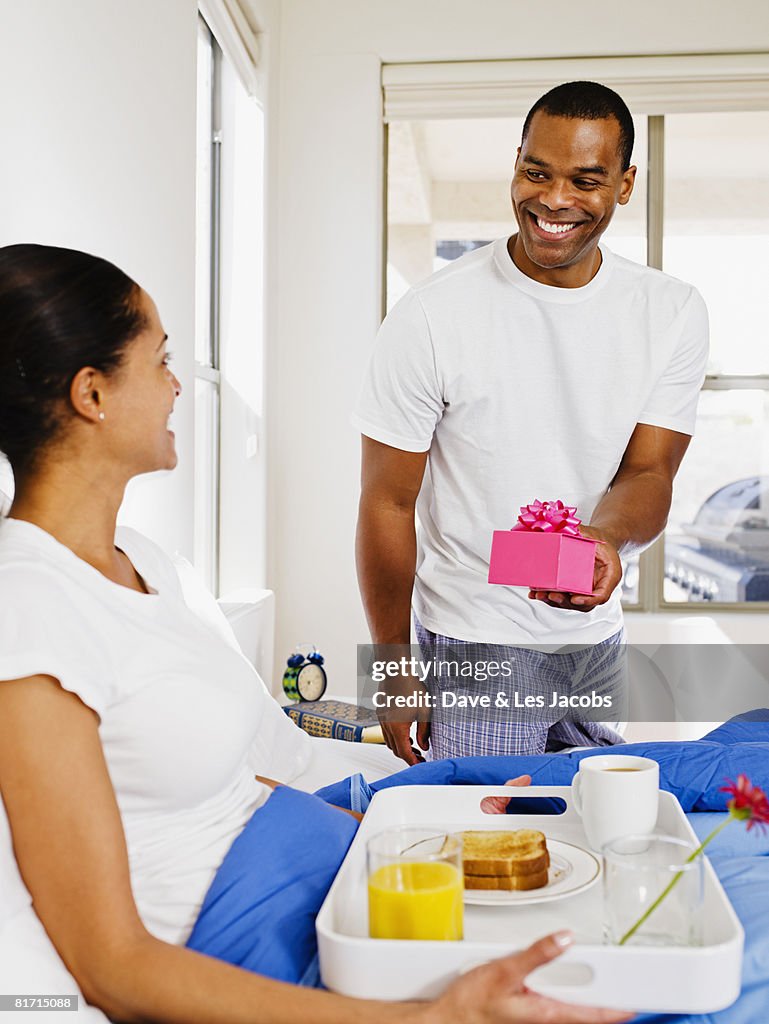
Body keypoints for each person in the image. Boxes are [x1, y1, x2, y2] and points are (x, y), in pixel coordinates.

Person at [0, 244, 630, 1024]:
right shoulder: (29, 612)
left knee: (651, 830)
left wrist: (418, 833)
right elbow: (114, 967)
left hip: (339, 875)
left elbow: (221, 781)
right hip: (265, 945)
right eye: (159, 360)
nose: (176, 387)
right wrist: (429, 1019)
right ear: (92, 391)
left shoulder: (148, 563)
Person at [354, 81, 709, 765]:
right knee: (489, 834)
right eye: (535, 172)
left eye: (585, 179)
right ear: (514, 162)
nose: (553, 200)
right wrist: (395, 670)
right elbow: (387, 501)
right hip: (476, 637)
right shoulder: (432, 314)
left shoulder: (669, 312)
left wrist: (599, 544)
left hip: (595, 637)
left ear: (625, 184)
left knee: (591, 827)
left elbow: (648, 471)